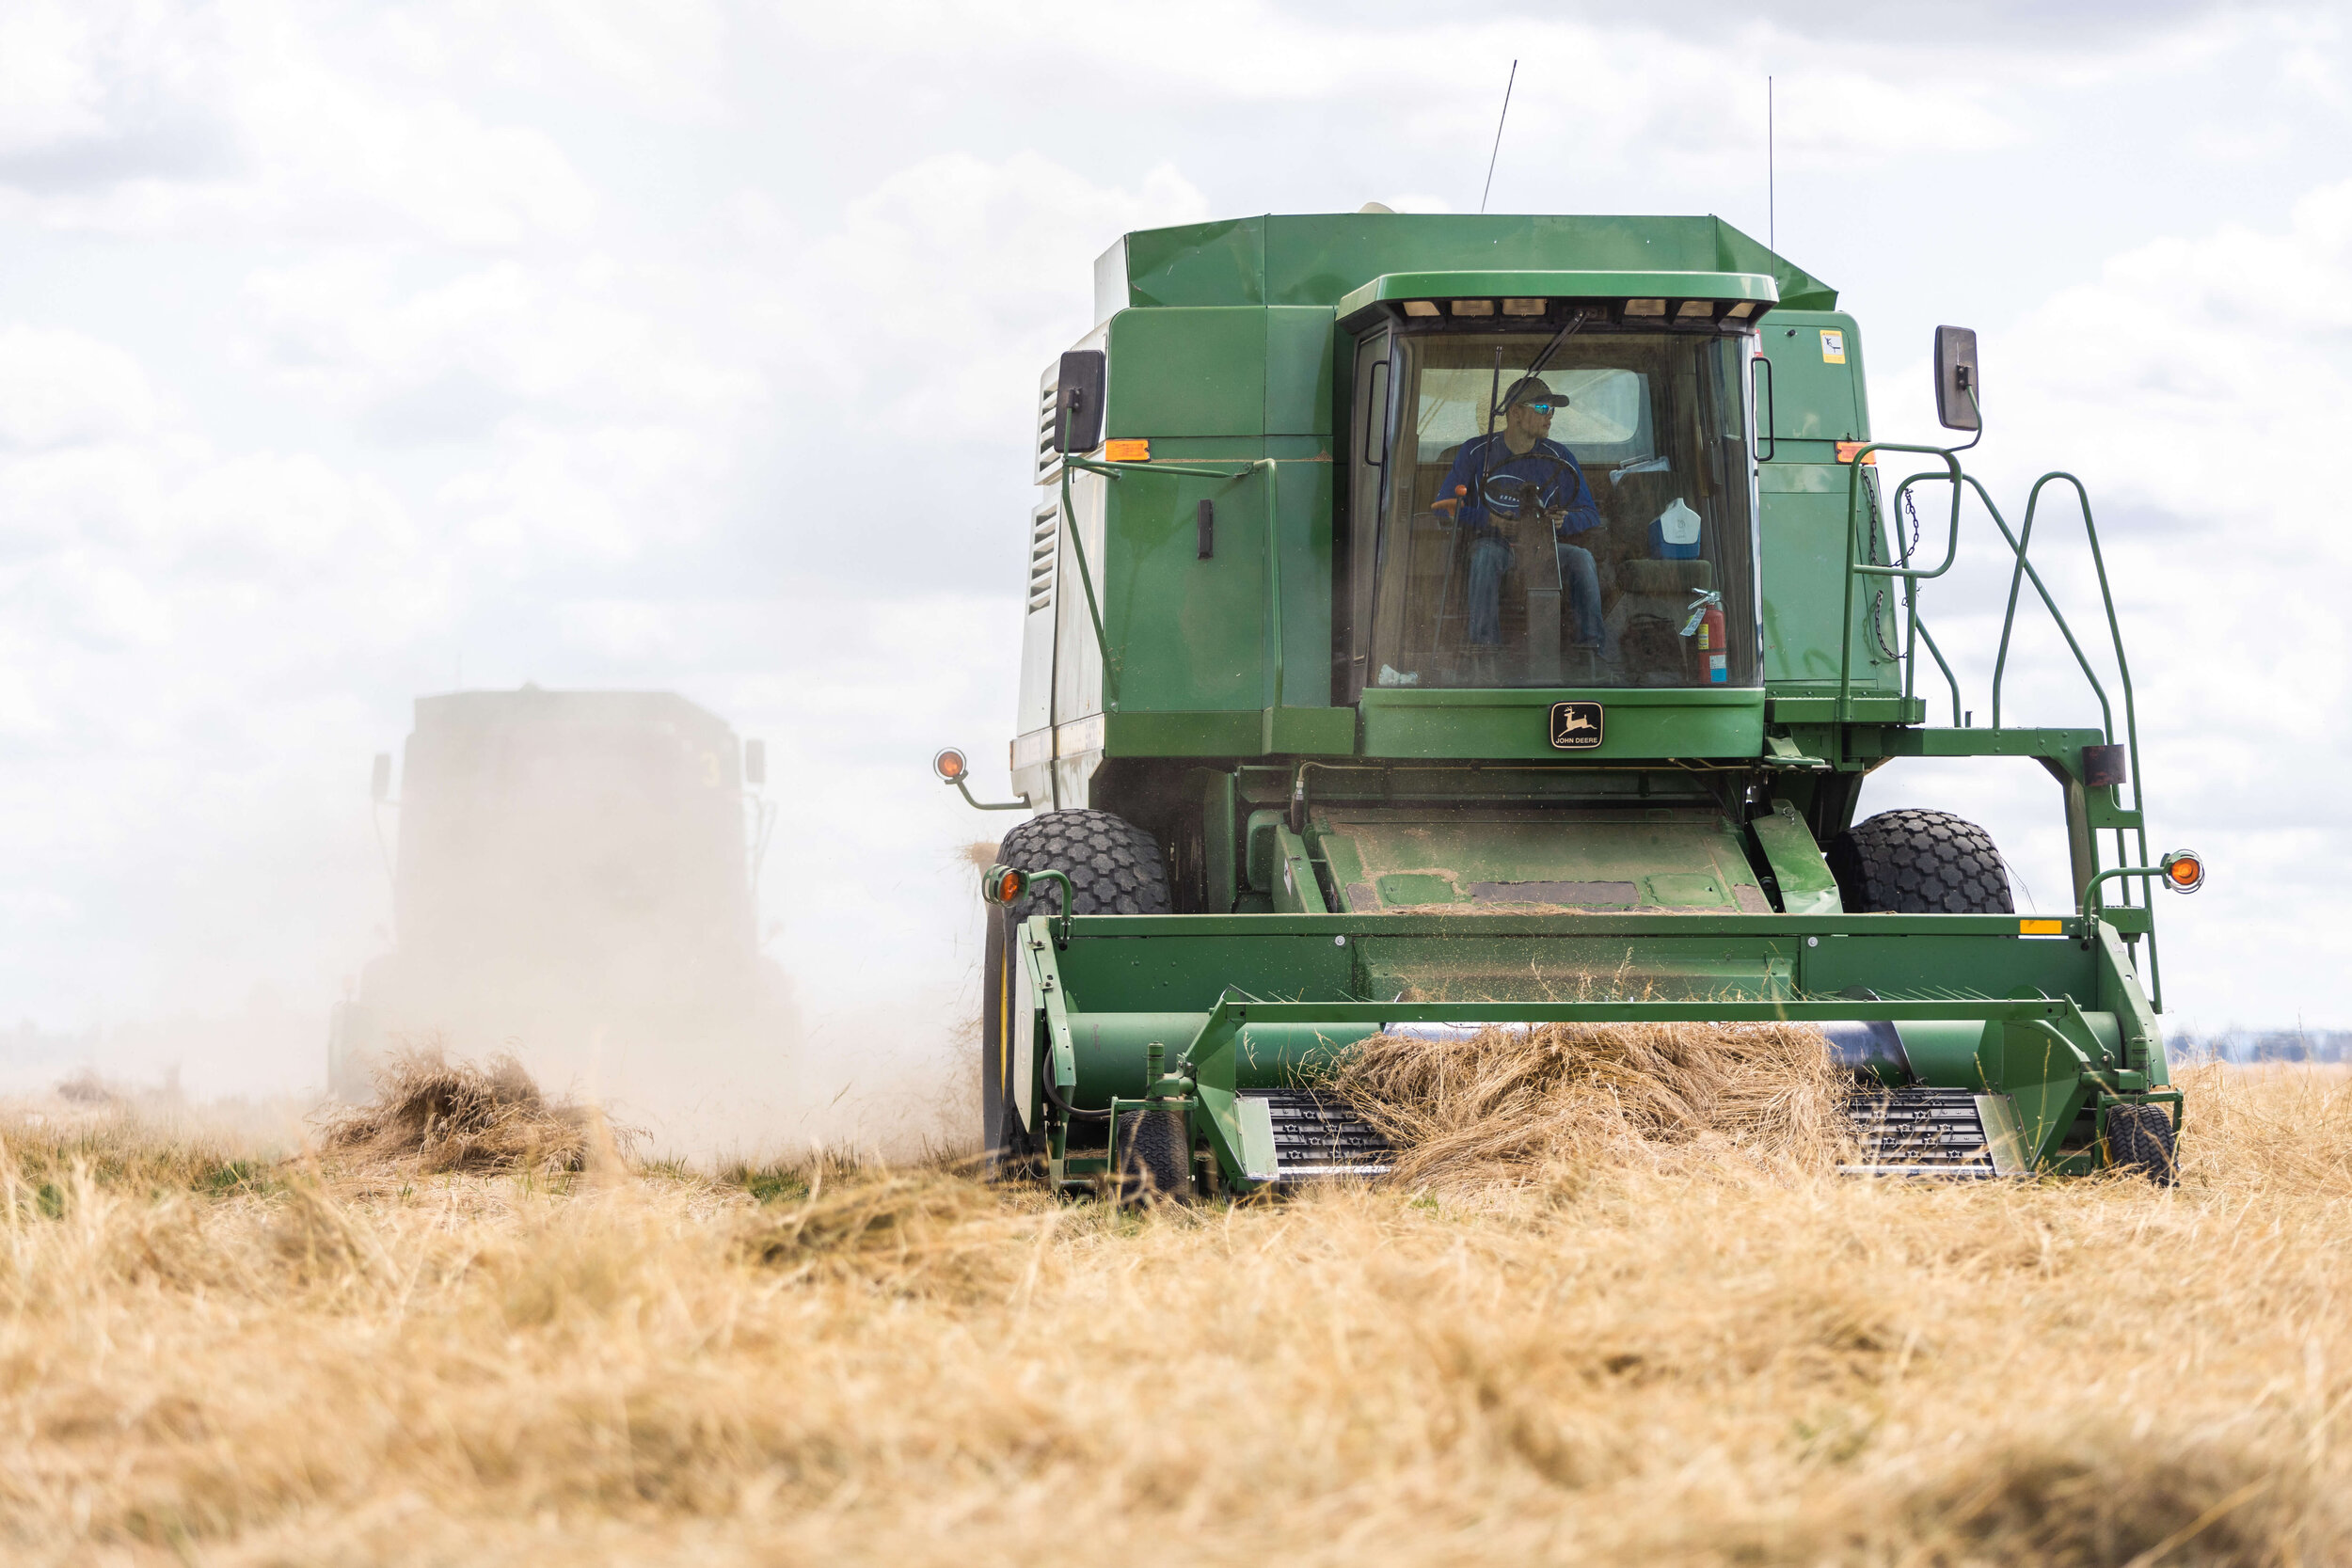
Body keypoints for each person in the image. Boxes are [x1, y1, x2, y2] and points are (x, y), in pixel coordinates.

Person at [1430, 376, 1606, 652]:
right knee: (1485, 556)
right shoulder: (1476, 453)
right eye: (1541, 409)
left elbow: (1590, 514)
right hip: (1496, 543)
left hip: (1547, 548)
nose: (1549, 417)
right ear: (1515, 412)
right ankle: (1484, 652)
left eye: (1552, 410)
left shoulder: (1561, 457)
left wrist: (1564, 520)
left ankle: (1591, 653)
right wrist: (1489, 520)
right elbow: (1444, 507)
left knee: (1582, 559)